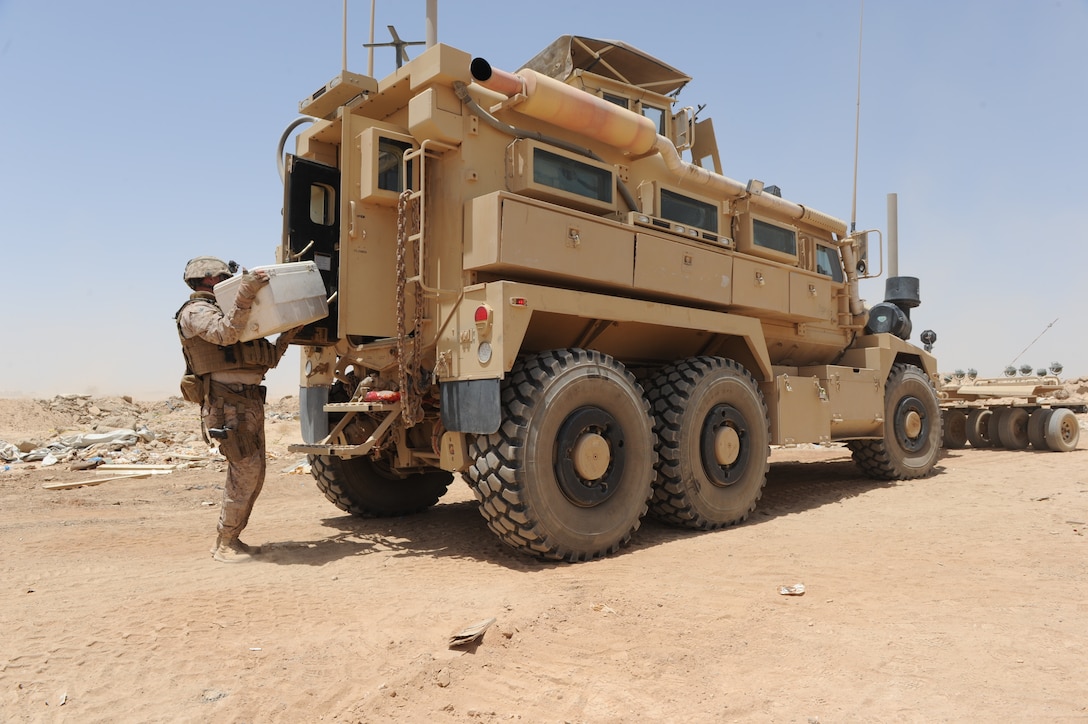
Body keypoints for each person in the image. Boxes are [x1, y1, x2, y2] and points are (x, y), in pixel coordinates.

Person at [175, 257, 293, 563]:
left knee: (256, 474)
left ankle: (233, 538)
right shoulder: (196, 312)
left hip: (249, 401)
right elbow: (225, 335)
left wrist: (289, 332)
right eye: (225, 279)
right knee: (244, 472)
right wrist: (246, 294)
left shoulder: (231, 313)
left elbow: (265, 358)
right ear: (210, 279)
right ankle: (225, 542)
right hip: (227, 405)